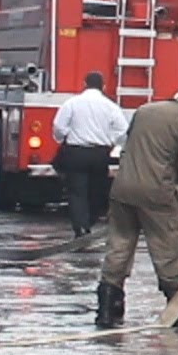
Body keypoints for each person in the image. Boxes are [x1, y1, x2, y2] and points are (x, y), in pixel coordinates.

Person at [96, 79, 178, 329]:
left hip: (122, 189)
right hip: (158, 195)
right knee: (168, 251)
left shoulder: (144, 110)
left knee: (119, 246)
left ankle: (107, 310)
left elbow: (130, 144)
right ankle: (177, 313)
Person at [52, 71, 130, 238]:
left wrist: (62, 138)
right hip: (100, 153)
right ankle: (90, 220)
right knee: (96, 190)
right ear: (104, 86)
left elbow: (59, 126)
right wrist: (112, 142)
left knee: (77, 191)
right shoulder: (110, 106)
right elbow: (123, 131)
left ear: (84, 83)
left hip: (76, 152)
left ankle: (80, 227)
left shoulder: (72, 103)